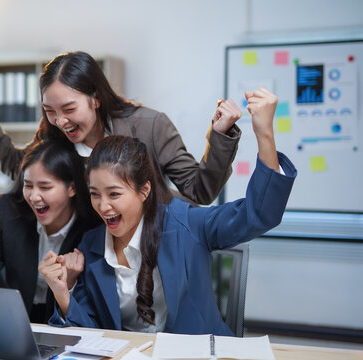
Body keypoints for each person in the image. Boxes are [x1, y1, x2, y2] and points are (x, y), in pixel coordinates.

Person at [39, 88, 297, 335]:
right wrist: (64, 291)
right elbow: (92, 336)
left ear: (144, 190)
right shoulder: (91, 246)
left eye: (114, 194)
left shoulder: (186, 224)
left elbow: (258, 214)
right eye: (95, 194)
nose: (103, 206)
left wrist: (264, 134)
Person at [0, 51, 242, 205]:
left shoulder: (150, 126)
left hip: (147, 258)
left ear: (96, 98)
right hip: (83, 263)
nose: (61, 121)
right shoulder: (55, 135)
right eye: (50, 112)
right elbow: (19, 166)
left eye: (70, 109)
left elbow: (201, 190)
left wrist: (220, 135)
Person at [0, 141, 100, 323]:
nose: (34, 197)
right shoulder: (8, 211)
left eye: (45, 187)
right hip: (12, 321)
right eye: (28, 185)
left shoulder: (92, 227)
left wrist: (68, 284)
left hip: (64, 323)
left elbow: (92, 311)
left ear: (71, 188)